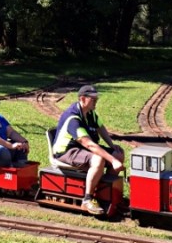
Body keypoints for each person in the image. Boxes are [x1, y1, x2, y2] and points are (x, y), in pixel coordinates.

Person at [52, 85, 125, 215]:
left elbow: (100, 127)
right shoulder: (73, 118)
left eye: (96, 99)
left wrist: (112, 146)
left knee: (119, 154)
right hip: (67, 151)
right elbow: (89, 144)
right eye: (93, 99)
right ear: (83, 99)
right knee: (98, 159)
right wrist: (112, 160)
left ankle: (104, 192)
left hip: (82, 148)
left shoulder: (90, 113)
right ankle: (87, 199)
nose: (96, 101)